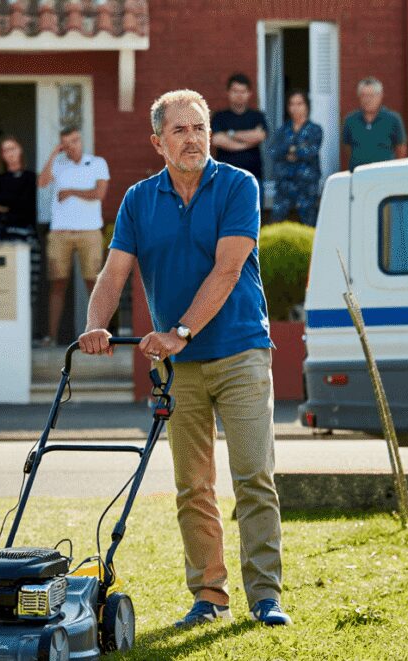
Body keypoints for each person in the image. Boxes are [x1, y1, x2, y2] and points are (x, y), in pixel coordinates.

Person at [77, 89, 291, 629]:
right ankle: (209, 597)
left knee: (253, 477)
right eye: (180, 130)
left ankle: (265, 597)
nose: (193, 138)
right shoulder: (137, 200)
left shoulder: (239, 186)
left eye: (199, 128)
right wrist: (94, 325)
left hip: (240, 351)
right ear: (158, 142)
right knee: (192, 485)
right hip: (178, 369)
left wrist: (180, 331)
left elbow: (227, 269)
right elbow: (114, 272)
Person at [37, 126, 109, 346]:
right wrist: (53, 154)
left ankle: (100, 334)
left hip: (90, 232)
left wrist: (71, 191)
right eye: (67, 143)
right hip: (60, 233)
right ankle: (51, 337)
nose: (73, 145)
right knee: (57, 284)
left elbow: (99, 194)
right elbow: (41, 183)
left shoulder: (97, 163)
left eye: (75, 140)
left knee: (94, 283)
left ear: (81, 140)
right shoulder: (58, 164)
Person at [268, 89, 323, 226]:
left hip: (306, 185)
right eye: (292, 104)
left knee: (309, 224)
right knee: (277, 223)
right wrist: (294, 149)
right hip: (284, 185)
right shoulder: (282, 130)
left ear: (306, 106)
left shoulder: (314, 129)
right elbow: (273, 152)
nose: (295, 108)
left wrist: (290, 150)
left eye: (299, 104)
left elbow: (311, 152)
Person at [211, 73, 268, 187]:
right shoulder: (220, 117)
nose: (239, 95)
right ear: (228, 93)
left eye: (243, 91)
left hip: (253, 177)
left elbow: (260, 136)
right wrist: (247, 143)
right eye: (235, 91)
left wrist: (230, 134)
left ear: (249, 93)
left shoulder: (257, 116)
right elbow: (217, 140)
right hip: (225, 178)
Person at [341, 77, 407, 171]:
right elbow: (347, 147)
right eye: (364, 95)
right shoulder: (350, 120)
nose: (367, 100)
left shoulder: (393, 119)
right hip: (358, 173)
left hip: (384, 174)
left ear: (380, 96)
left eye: (371, 96)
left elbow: (401, 148)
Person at [0, 136, 37, 242]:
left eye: (13, 149)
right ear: (2, 155)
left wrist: (7, 205)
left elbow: (27, 203)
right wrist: (17, 199)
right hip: (3, 233)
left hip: (26, 232)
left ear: (20, 150)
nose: (10, 153)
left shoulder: (30, 177)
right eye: (5, 150)